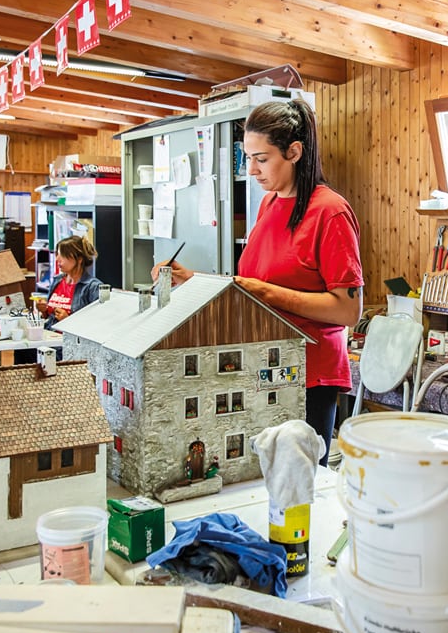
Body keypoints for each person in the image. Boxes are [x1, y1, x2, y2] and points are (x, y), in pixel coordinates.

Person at [152, 99, 363, 464]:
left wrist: (266, 293)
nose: (251, 170)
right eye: (248, 158)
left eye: (261, 159)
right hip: (262, 366)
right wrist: (193, 280)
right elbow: (252, 282)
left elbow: (348, 311)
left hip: (308, 374)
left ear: (294, 152)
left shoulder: (330, 212)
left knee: (298, 481)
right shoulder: (269, 204)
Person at [36, 235, 102, 330]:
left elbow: (98, 325)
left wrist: (68, 320)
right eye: (57, 254)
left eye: (62, 255)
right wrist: (43, 310)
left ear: (79, 259)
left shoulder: (93, 287)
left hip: (70, 338)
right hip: (49, 335)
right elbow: (49, 317)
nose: (57, 259)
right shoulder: (57, 280)